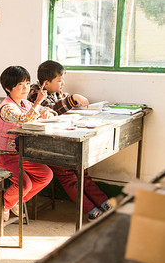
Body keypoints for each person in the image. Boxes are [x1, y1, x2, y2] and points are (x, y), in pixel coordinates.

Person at [28, 60, 113, 220]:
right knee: (68, 177)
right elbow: (51, 109)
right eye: (59, 80)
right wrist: (72, 99)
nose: (62, 83)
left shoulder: (57, 93)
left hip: (64, 140)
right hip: (48, 146)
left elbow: (61, 104)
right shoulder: (34, 94)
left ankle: (103, 202)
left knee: (82, 173)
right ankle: (91, 210)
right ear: (46, 83)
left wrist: (72, 102)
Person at [0, 66, 55, 221]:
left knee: (46, 175)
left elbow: (39, 112)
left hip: (20, 154)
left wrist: (46, 111)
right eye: (20, 84)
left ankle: (16, 200)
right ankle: (4, 203)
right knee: (25, 185)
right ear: (7, 88)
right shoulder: (6, 107)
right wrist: (38, 102)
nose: (25, 87)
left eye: (27, 83)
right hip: (3, 155)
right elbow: (23, 119)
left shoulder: (24, 103)